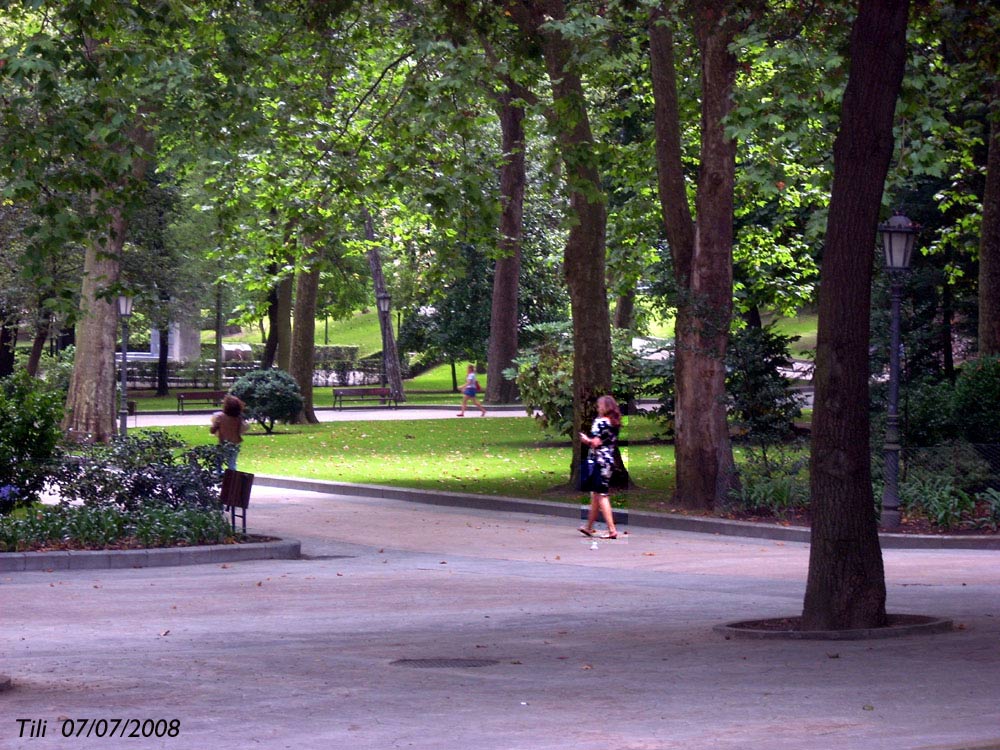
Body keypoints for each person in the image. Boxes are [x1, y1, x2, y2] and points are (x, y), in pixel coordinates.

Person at [578, 394, 621, 539]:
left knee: (601, 494)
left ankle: (612, 529)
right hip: (608, 461)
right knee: (596, 495)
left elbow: (595, 442)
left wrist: (585, 440)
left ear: (604, 407)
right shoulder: (614, 423)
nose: (598, 408)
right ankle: (589, 527)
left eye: (599, 406)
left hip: (598, 461)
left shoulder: (600, 422)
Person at [209, 394, 249, 471]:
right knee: (232, 464)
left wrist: (215, 425)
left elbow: (212, 430)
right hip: (235, 444)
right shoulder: (238, 418)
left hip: (223, 443)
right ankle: (232, 480)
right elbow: (244, 428)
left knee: (218, 463)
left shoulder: (220, 417)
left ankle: (219, 477)